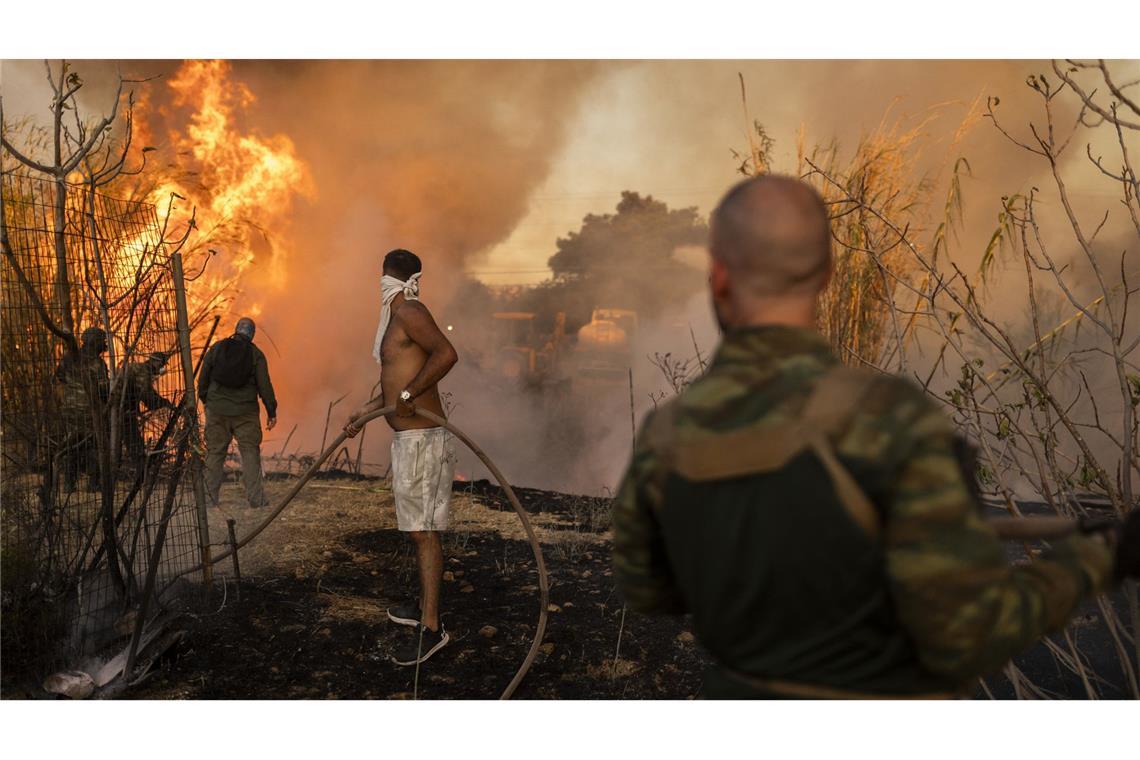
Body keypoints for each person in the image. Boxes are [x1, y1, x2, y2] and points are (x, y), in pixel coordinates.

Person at [611, 174, 1140, 699]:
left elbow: (648, 590)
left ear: (719, 276)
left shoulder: (667, 432)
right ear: (826, 275)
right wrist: (1098, 558)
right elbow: (967, 636)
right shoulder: (889, 418)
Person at [344, 248, 459, 666]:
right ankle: (423, 609)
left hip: (425, 440)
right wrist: (367, 408)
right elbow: (397, 381)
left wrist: (409, 396)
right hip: (410, 442)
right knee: (417, 530)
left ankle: (432, 630)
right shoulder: (397, 317)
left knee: (425, 532)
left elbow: (447, 353)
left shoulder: (410, 310)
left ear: (386, 278)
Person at [198, 317, 278, 509]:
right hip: (246, 413)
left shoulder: (217, 348)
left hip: (216, 409)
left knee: (215, 452)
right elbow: (264, 386)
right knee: (250, 453)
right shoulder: (256, 354)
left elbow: (203, 378)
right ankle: (256, 500)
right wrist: (271, 411)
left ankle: (209, 500)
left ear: (236, 330)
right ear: (252, 334)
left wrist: (207, 400)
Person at [55, 326, 110, 491]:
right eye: (102, 341)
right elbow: (103, 390)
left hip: (69, 409)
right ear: (95, 343)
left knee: (72, 446)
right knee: (95, 444)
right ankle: (93, 484)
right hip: (89, 410)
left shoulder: (68, 358)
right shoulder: (98, 363)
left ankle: (69, 484)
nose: (104, 345)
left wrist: (73, 391)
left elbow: (59, 376)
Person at [121, 351, 175, 472]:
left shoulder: (139, 368)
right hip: (122, 411)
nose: (162, 368)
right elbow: (147, 396)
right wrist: (162, 402)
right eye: (161, 365)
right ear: (155, 362)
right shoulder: (143, 372)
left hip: (122, 410)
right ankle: (141, 474)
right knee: (134, 443)